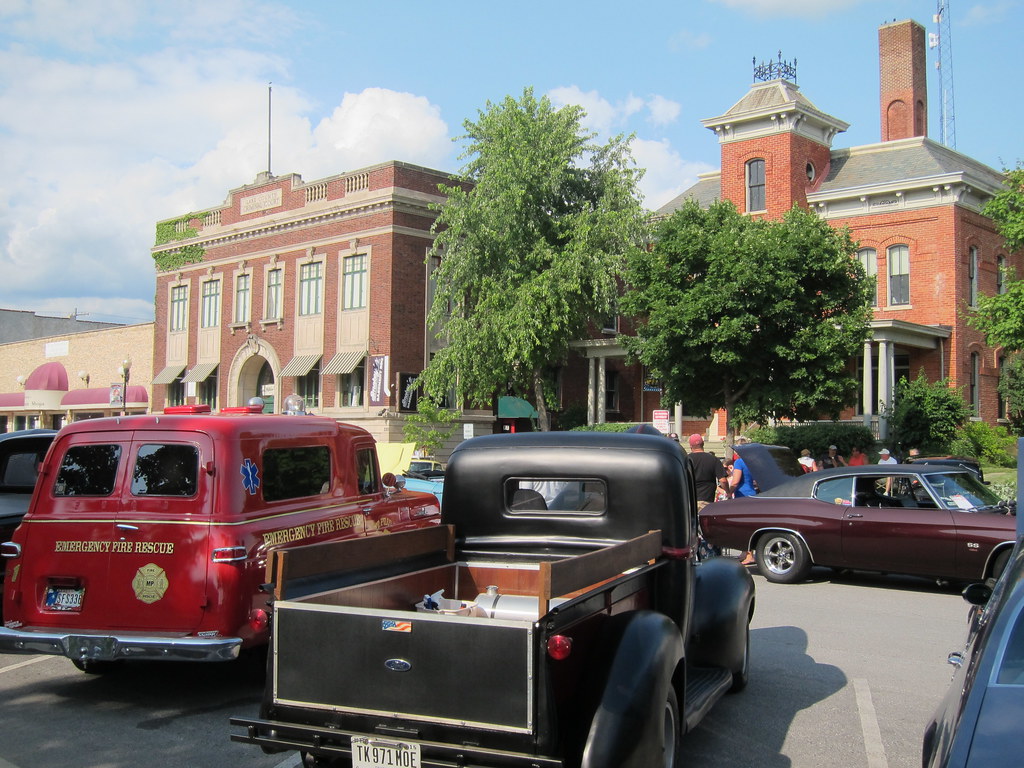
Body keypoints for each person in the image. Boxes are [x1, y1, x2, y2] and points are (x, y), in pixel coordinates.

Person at [729, 445, 757, 565]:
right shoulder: (752, 462)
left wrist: (729, 491)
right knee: (751, 524)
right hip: (752, 493)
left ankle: (749, 554)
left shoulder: (739, 462)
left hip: (742, 495)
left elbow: (735, 481)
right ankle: (745, 552)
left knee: (743, 525)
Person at [686, 434, 728, 510]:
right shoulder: (713, 459)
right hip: (706, 500)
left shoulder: (686, 460)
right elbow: (723, 480)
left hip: (689, 500)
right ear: (703, 444)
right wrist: (728, 492)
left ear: (690, 446)